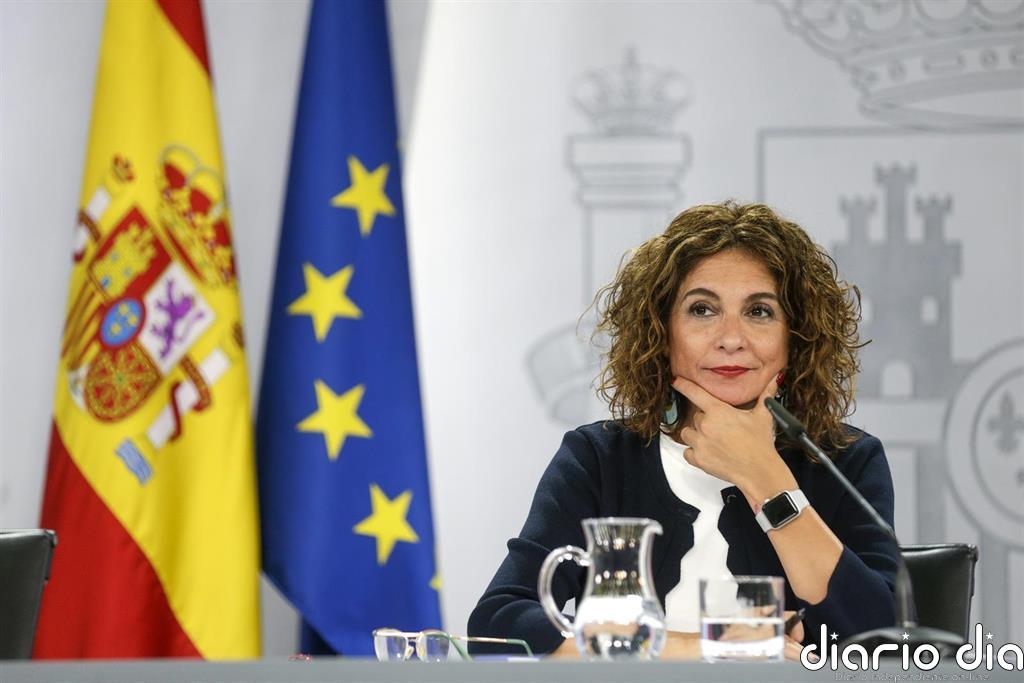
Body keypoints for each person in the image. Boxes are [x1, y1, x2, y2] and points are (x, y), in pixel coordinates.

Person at [467, 201, 898, 658]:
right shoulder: (599, 458)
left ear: (796, 338)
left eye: (759, 311)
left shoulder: (844, 459)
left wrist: (764, 476)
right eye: (702, 310)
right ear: (661, 333)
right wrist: (701, 649)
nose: (731, 339)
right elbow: (498, 625)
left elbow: (882, 643)